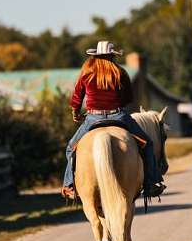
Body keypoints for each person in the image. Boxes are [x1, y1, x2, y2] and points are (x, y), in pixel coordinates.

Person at [61, 41, 166, 199]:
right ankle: (151, 183)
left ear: (95, 55)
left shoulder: (87, 71)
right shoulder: (120, 72)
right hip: (119, 115)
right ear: (112, 56)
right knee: (147, 144)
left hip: (93, 117)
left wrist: (75, 112)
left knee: (71, 147)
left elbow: (77, 96)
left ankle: (69, 185)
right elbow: (128, 98)